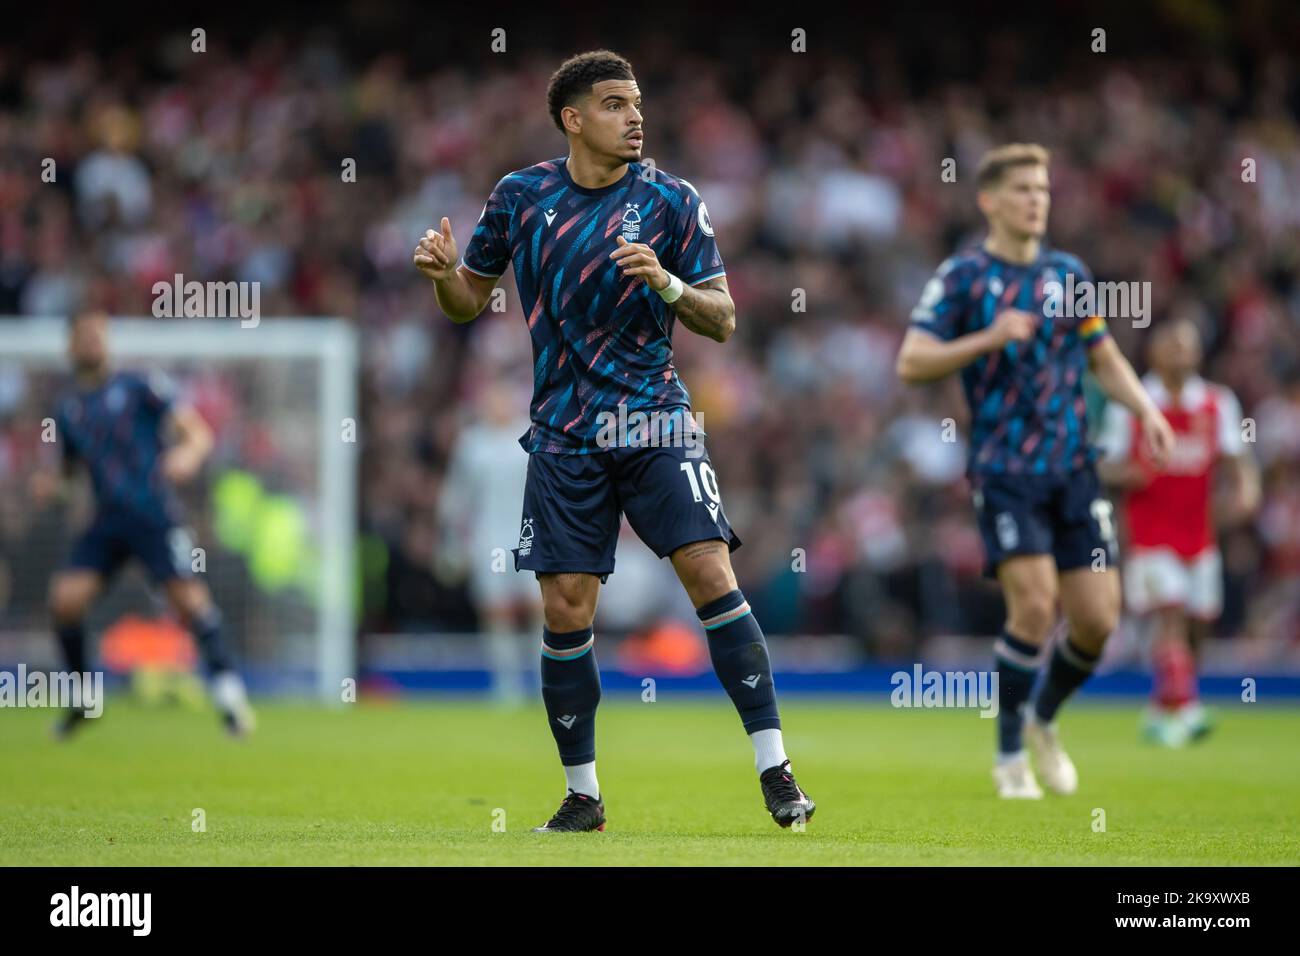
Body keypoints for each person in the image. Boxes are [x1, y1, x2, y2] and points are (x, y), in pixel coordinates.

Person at [413, 50, 814, 831]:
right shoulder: (520, 196)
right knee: (566, 609)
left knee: (707, 569)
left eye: (637, 103)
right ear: (572, 117)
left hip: (653, 415)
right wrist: (441, 275)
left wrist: (666, 282)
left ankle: (776, 770)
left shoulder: (671, 200)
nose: (634, 116)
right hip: (564, 429)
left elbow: (724, 318)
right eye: (613, 103)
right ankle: (583, 796)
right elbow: (469, 299)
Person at [896, 143, 1175, 798]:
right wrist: (987, 339)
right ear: (990, 200)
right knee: (1035, 604)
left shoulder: (1068, 274)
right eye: (1022, 189)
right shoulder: (964, 276)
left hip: (1076, 469)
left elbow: (1102, 357)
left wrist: (1147, 411)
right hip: (1005, 472)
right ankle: (1007, 757)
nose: (1035, 201)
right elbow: (912, 361)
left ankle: (1044, 720)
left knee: (1099, 621)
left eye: (1043, 190)